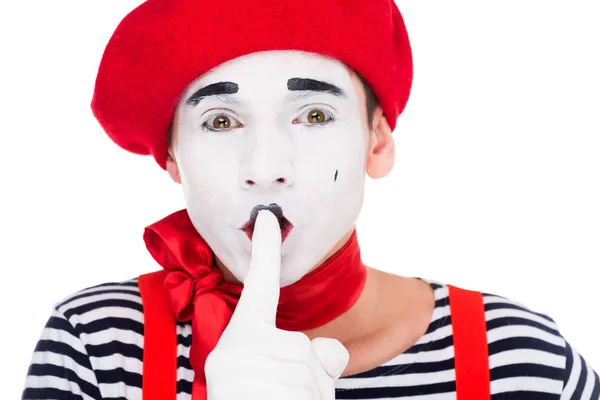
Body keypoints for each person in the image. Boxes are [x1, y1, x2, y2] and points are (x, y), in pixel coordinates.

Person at [22, 0, 599, 399]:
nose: (266, 169)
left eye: (315, 115)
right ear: (173, 157)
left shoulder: (521, 363)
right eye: (220, 121)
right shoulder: (97, 346)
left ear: (377, 141)